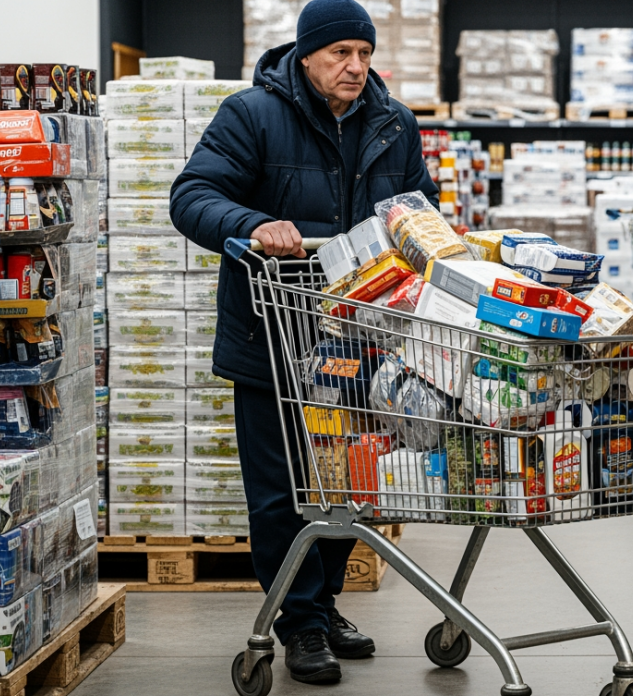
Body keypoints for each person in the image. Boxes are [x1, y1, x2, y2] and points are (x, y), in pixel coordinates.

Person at [169, 0, 438, 685]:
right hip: (273, 336)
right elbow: (193, 194)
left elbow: (418, 209)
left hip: (360, 339)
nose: (356, 67)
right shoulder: (251, 115)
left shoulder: (393, 122)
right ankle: (300, 623)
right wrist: (254, 223)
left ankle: (324, 604)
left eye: (365, 54)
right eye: (341, 53)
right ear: (307, 54)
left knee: (345, 480)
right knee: (280, 490)